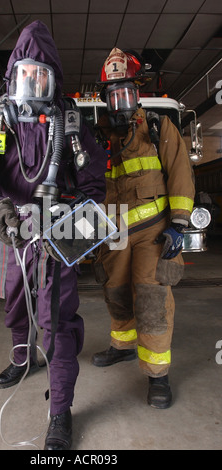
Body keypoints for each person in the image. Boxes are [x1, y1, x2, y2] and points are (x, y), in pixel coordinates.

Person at [0, 20, 106, 450]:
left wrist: (75, 224)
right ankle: (22, 358)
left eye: (43, 75)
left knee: (57, 323)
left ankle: (60, 411)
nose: (34, 82)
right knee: (15, 303)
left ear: (55, 79)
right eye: (26, 73)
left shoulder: (71, 123)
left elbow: (95, 183)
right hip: (13, 232)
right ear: (13, 76)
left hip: (56, 237)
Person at [92, 48, 195, 409]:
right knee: (116, 293)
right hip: (113, 236)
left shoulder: (157, 126)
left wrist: (178, 224)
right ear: (105, 98)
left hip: (154, 233)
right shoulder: (97, 140)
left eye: (127, 93)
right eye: (114, 94)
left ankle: (157, 377)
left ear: (137, 94)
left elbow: (181, 172)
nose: (121, 102)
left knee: (151, 302)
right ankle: (121, 347)